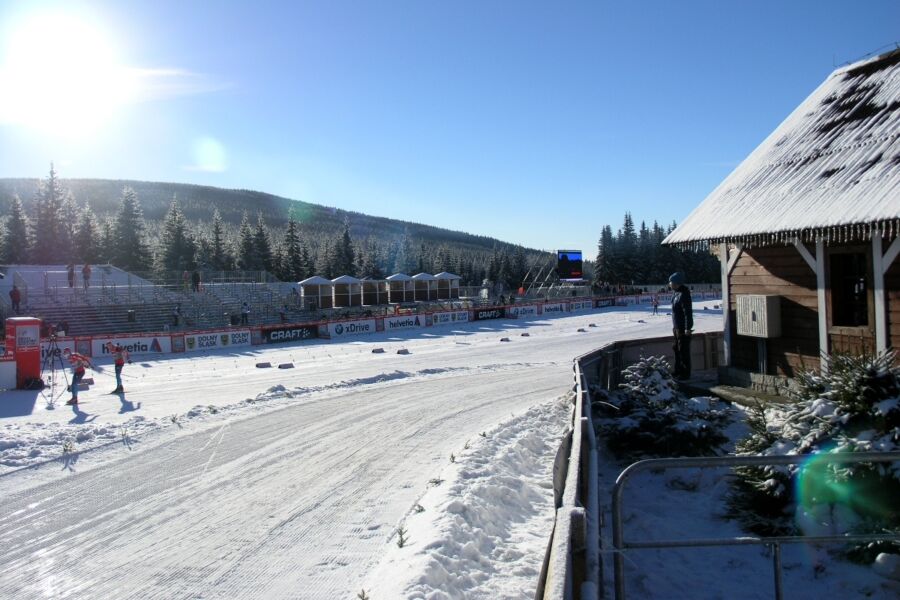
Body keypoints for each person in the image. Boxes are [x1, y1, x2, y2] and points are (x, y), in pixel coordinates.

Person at [669, 272, 693, 380]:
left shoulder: (684, 294)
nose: (669, 284)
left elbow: (687, 312)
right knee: (677, 349)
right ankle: (677, 370)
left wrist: (688, 327)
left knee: (683, 351)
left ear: (677, 283)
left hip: (683, 328)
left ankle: (685, 373)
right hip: (676, 327)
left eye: (671, 282)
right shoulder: (675, 293)